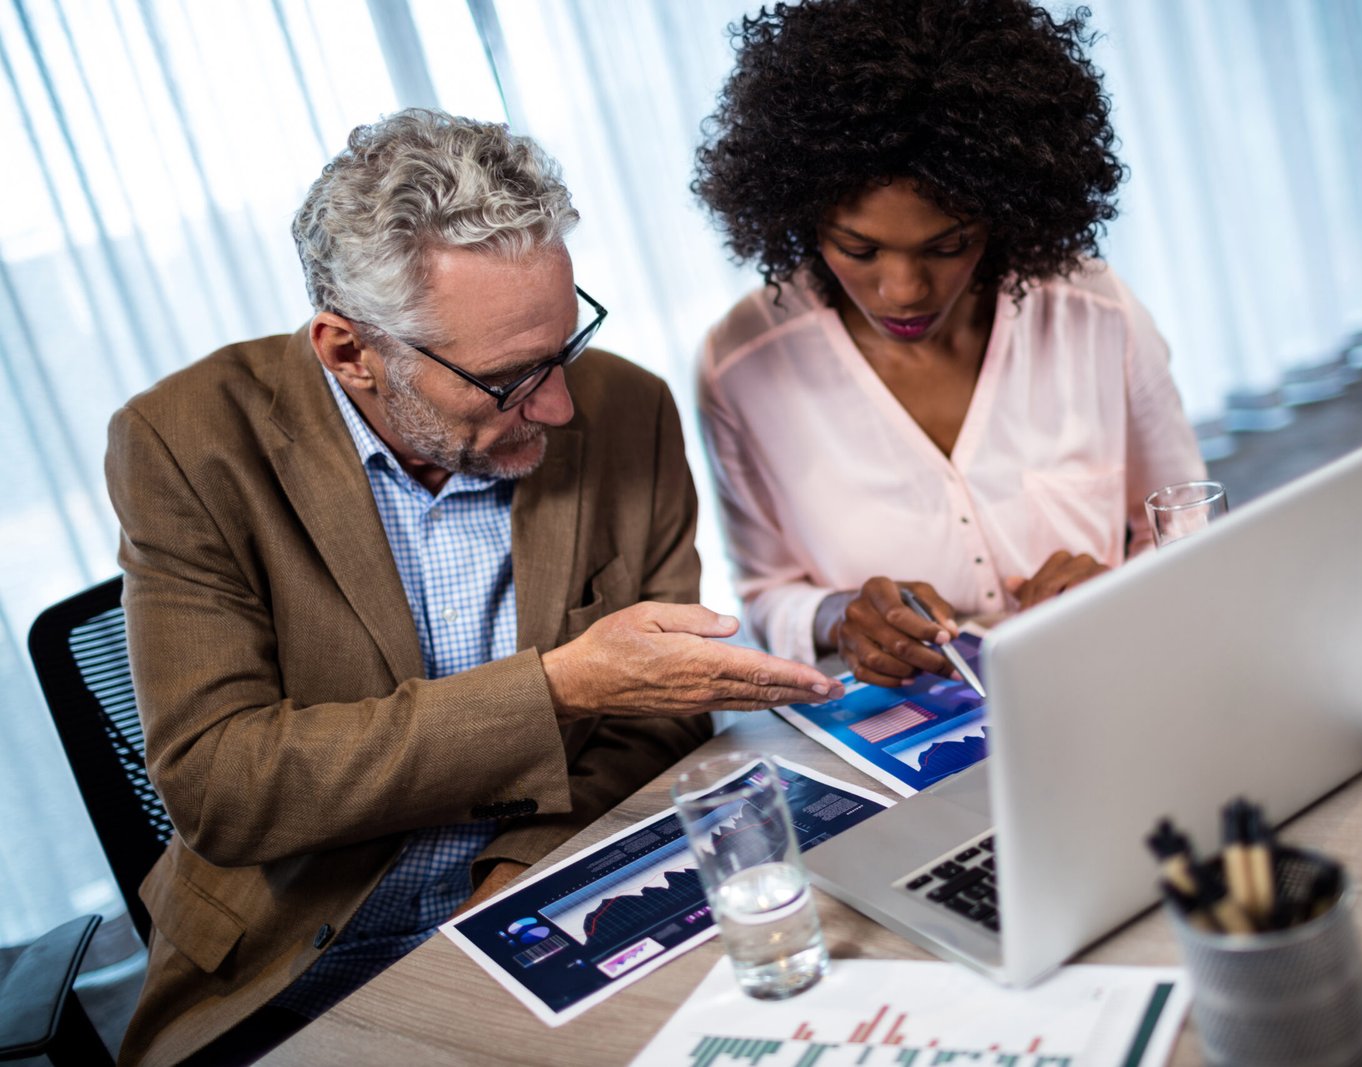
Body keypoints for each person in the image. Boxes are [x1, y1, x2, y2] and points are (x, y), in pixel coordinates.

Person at [105, 109, 842, 1066]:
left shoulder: (630, 410)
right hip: (289, 961)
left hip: (555, 894)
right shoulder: (187, 442)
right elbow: (223, 785)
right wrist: (560, 687)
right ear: (349, 352)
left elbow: (661, 715)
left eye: (566, 346)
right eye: (509, 378)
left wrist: (520, 874)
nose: (561, 405)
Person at [693, 0, 1206, 688]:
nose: (903, 290)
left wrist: (1122, 589)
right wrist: (840, 615)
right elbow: (764, 597)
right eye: (860, 248)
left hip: (1112, 686)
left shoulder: (1095, 312)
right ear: (798, 215)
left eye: (947, 244)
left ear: (1004, 212)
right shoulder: (741, 368)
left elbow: (1189, 526)